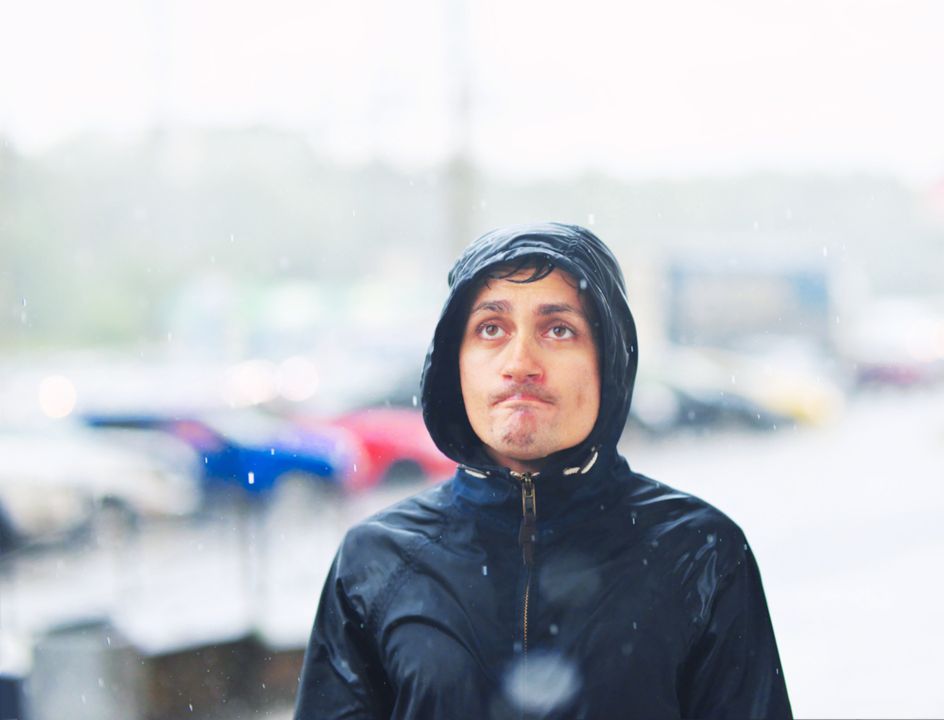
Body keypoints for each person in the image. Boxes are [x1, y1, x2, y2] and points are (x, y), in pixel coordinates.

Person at [294, 222, 792, 719]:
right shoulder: (377, 562)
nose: (520, 363)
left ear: (608, 358)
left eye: (558, 329)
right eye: (491, 328)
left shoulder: (699, 553)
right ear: (454, 362)